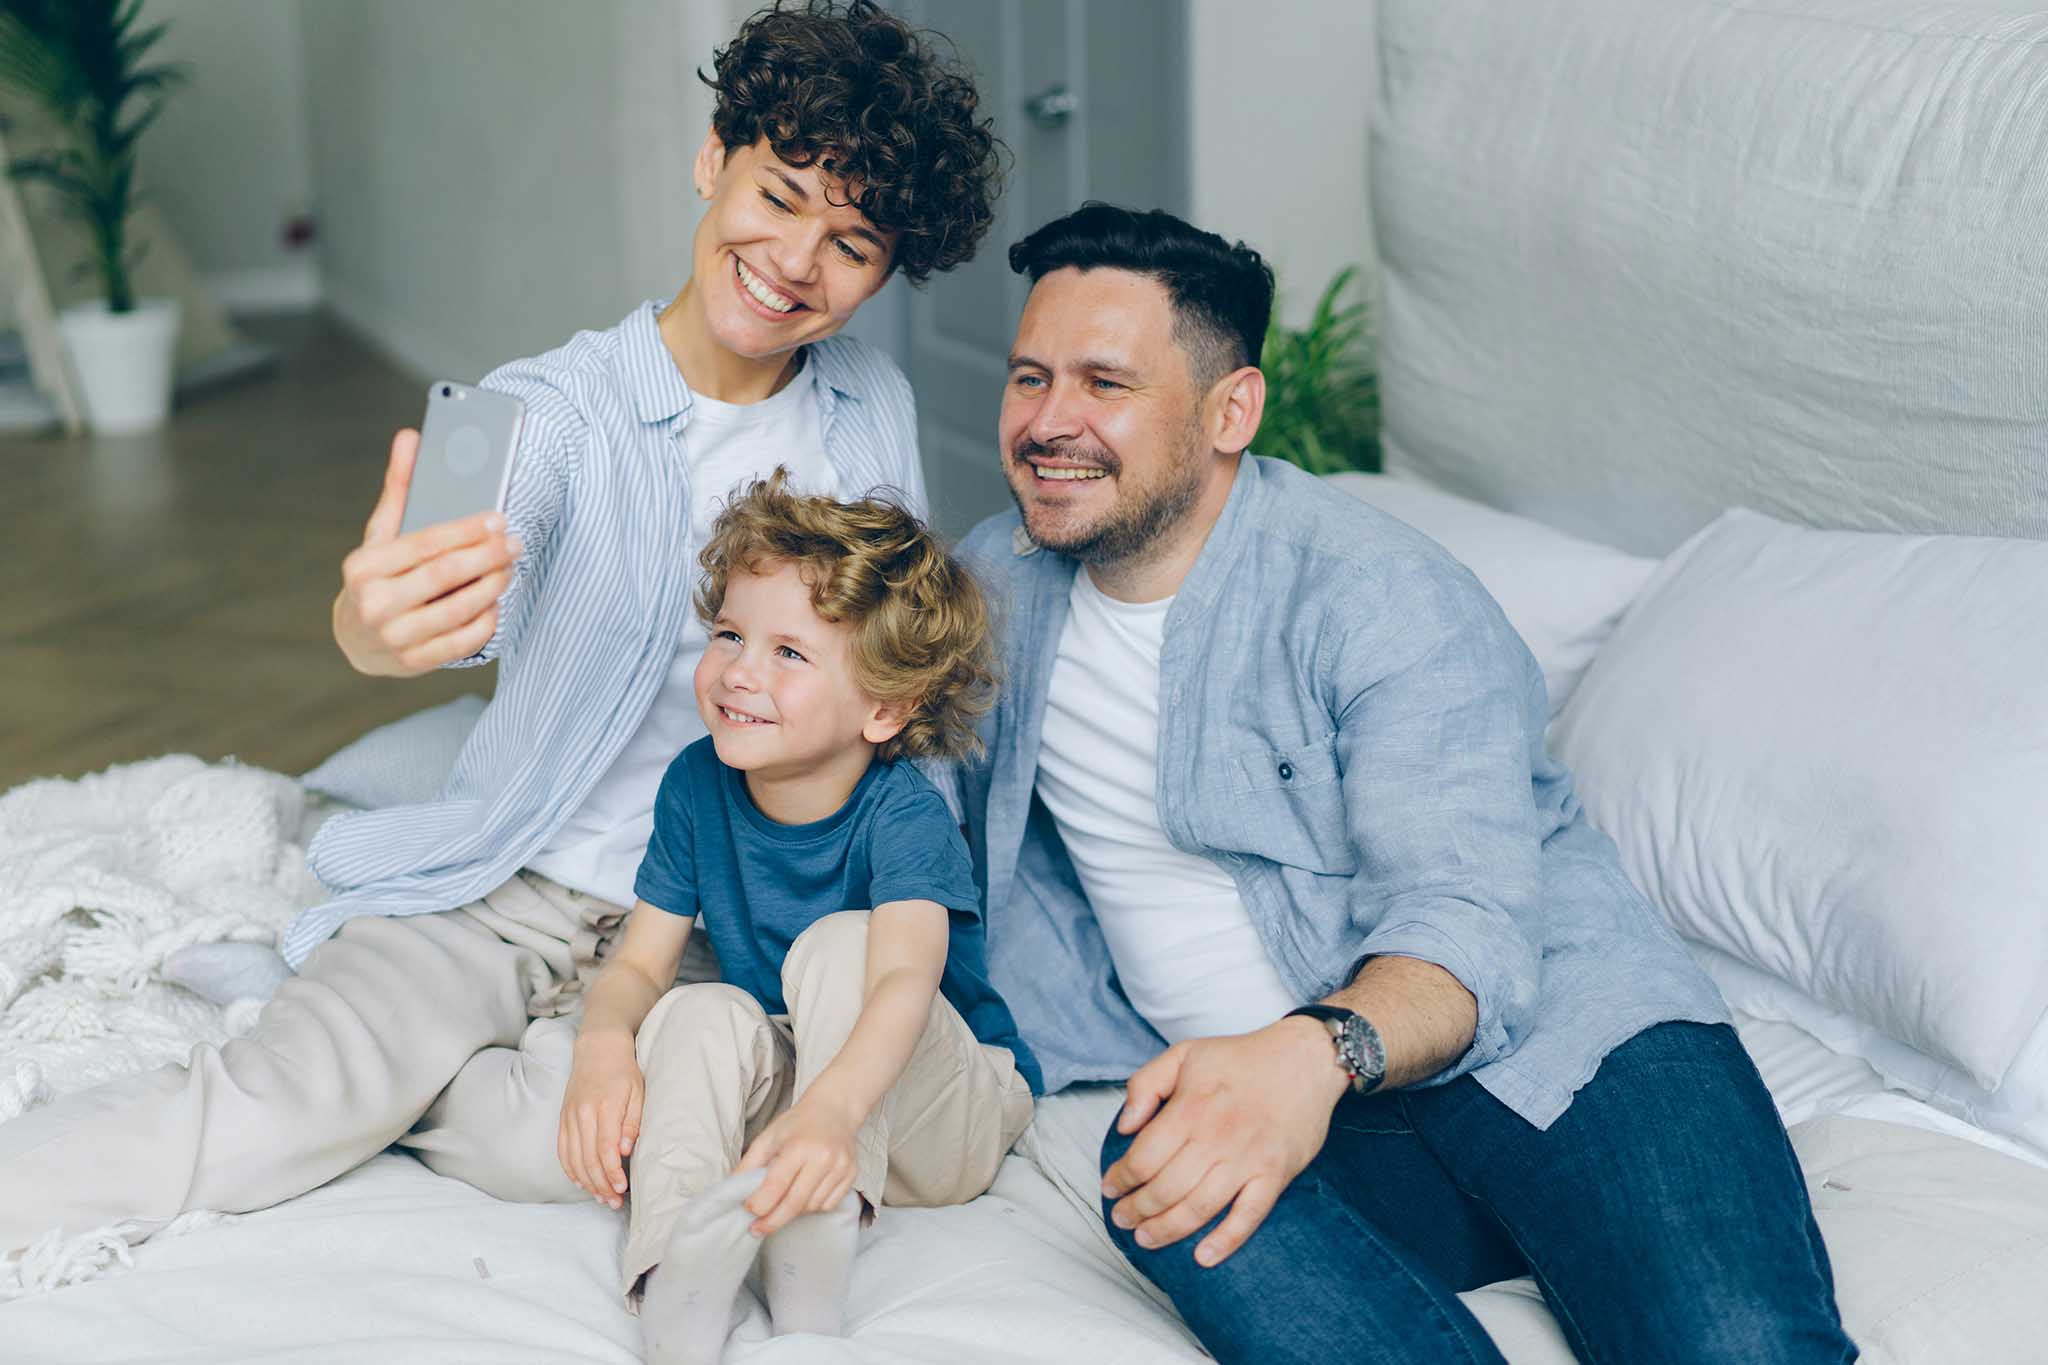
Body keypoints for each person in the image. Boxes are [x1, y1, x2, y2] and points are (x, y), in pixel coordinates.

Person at [0, 0, 1001, 1255]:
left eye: (849, 243)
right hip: (507, 888)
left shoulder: (870, 405)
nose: (797, 260)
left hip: (714, 923)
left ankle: (427, 1090)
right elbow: (417, 591)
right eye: (778, 194)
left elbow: (884, 663)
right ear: (713, 158)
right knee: (274, 1115)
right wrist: (379, 620)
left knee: (619, 1153)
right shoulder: (540, 410)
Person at [942, 204, 1857, 1364]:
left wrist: (1304, 1057)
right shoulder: (988, 591)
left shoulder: (1377, 595)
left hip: (1566, 1052)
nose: (1047, 421)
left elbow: (1461, 921)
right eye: (1030, 377)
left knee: (1734, 1347)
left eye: (1103, 383)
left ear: (1230, 412)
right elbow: (876, 798)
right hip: (1313, 1125)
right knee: (1158, 1170)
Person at [557, 473, 1036, 1363]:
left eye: (789, 652)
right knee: (693, 1009)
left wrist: (831, 1115)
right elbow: (639, 964)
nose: (740, 671)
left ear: (884, 708)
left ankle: (814, 1240)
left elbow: (904, 982)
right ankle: (675, 1273)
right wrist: (602, 1046)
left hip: (938, 1112)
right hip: (802, 1096)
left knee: (845, 945)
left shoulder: (904, 815)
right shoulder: (696, 784)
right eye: (730, 634)